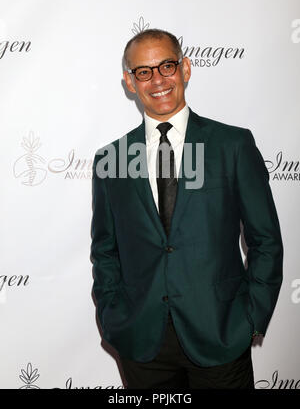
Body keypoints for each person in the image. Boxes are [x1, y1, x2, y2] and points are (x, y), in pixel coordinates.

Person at [90, 28, 283, 389]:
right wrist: (113, 316)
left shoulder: (233, 145)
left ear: (186, 68)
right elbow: (105, 249)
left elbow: (266, 240)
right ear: (130, 83)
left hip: (221, 334)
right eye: (143, 71)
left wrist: (251, 318)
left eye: (167, 66)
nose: (157, 79)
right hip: (141, 343)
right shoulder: (110, 159)